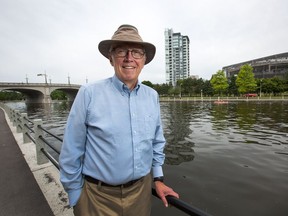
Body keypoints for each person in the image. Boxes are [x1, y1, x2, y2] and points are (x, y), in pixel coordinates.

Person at [59, 24, 179, 216]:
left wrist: (158, 179)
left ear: (144, 59)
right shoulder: (89, 94)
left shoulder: (152, 96)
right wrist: (76, 196)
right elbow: (71, 150)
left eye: (137, 52)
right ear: (111, 58)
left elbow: (157, 141)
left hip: (141, 194)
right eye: (122, 51)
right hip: (96, 198)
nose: (129, 58)